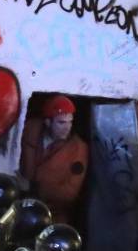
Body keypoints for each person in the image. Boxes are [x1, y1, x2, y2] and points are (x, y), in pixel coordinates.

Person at [19, 95, 88, 225]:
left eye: (70, 122)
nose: (67, 127)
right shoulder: (29, 132)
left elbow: (70, 193)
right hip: (20, 207)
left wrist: (34, 188)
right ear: (48, 122)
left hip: (52, 217)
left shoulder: (78, 150)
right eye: (61, 122)